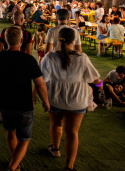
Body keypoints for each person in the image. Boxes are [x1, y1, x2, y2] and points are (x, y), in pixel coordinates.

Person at [0, 26, 50, 171]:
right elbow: (40, 84)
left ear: (5, 40)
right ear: (21, 41)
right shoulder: (28, 59)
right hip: (24, 104)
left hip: (5, 103)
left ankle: (15, 160)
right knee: (24, 139)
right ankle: (13, 166)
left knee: (10, 132)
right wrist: (46, 101)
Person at [40, 27, 100, 171]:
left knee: (55, 124)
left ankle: (55, 149)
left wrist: (41, 97)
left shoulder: (50, 57)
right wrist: (101, 84)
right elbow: (95, 79)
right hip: (77, 99)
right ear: (74, 41)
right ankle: (69, 167)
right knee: (72, 132)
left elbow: (43, 79)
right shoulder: (82, 57)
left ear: (58, 39)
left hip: (54, 97)